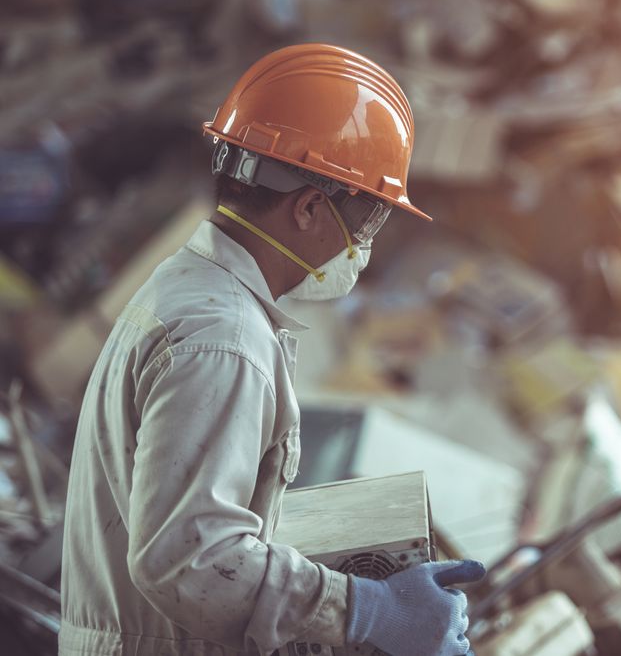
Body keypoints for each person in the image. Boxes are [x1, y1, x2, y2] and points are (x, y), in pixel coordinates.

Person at [59, 43, 485, 656]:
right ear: (311, 206)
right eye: (366, 222)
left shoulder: (186, 287)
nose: (363, 247)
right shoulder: (224, 340)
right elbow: (190, 562)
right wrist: (368, 609)